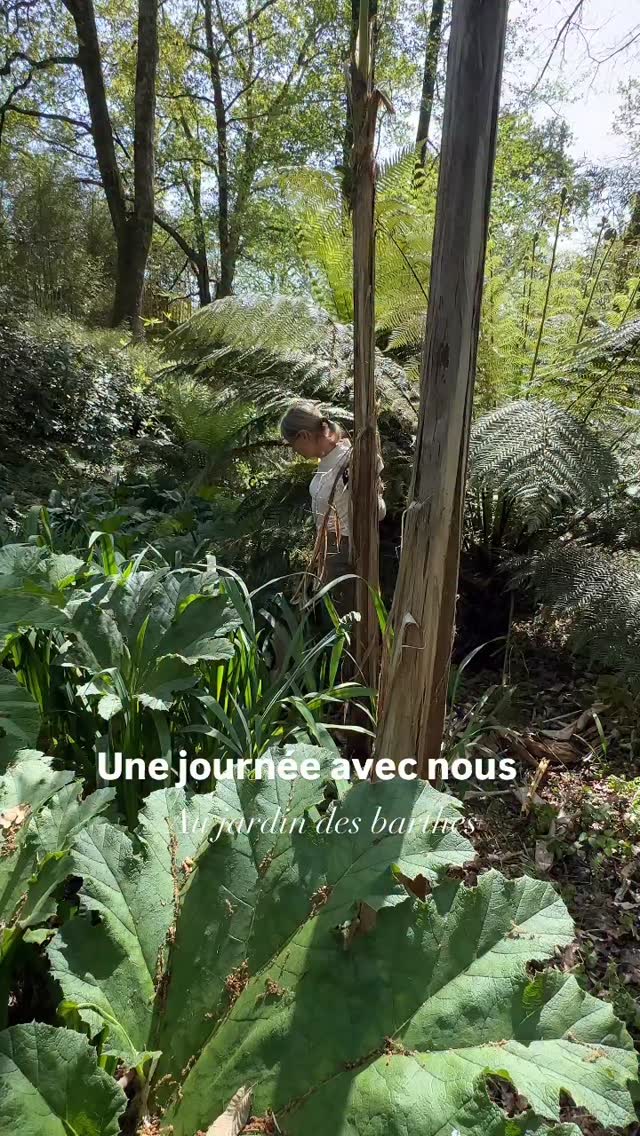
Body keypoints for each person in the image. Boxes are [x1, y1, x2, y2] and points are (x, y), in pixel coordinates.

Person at [280, 400, 385, 615]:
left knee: (348, 619)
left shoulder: (348, 460)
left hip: (348, 553)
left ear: (304, 436)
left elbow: (378, 511)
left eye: (292, 444)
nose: (294, 450)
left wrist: (368, 484)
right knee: (336, 619)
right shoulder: (327, 460)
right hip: (329, 552)